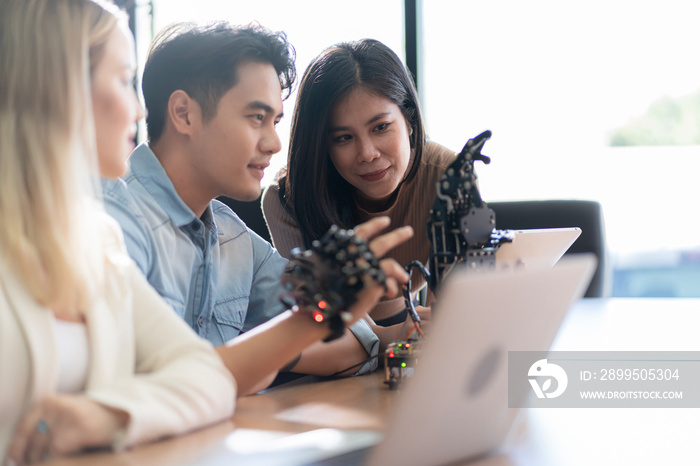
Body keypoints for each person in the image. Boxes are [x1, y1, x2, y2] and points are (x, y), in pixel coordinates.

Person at [101, 22, 415, 383]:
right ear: (184, 113)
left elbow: (352, 339)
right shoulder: (112, 222)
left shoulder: (232, 236)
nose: (274, 143)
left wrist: (374, 326)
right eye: (256, 118)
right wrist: (268, 356)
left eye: (276, 121)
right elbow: (142, 383)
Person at [0, 0, 236, 463]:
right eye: (124, 79)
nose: (140, 109)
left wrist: (107, 415)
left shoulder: (95, 240)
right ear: (59, 87)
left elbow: (207, 374)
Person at [263, 38, 457, 326]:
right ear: (322, 145)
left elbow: (447, 316)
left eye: (381, 127)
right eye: (343, 138)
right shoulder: (287, 200)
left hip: (405, 332)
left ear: (410, 119)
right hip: (331, 351)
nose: (367, 154)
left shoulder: (447, 175)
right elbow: (312, 324)